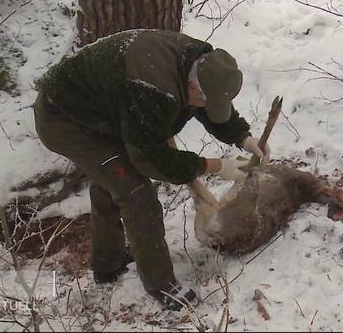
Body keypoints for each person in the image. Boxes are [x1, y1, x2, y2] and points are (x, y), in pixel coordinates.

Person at [33, 29, 270, 311]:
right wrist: (216, 166)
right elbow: (152, 159)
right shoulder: (150, 87)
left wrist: (243, 137)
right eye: (203, 100)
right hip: (67, 119)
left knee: (111, 181)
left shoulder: (200, 63)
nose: (206, 107)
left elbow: (211, 106)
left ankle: (107, 264)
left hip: (109, 110)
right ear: (193, 86)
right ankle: (160, 284)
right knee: (135, 191)